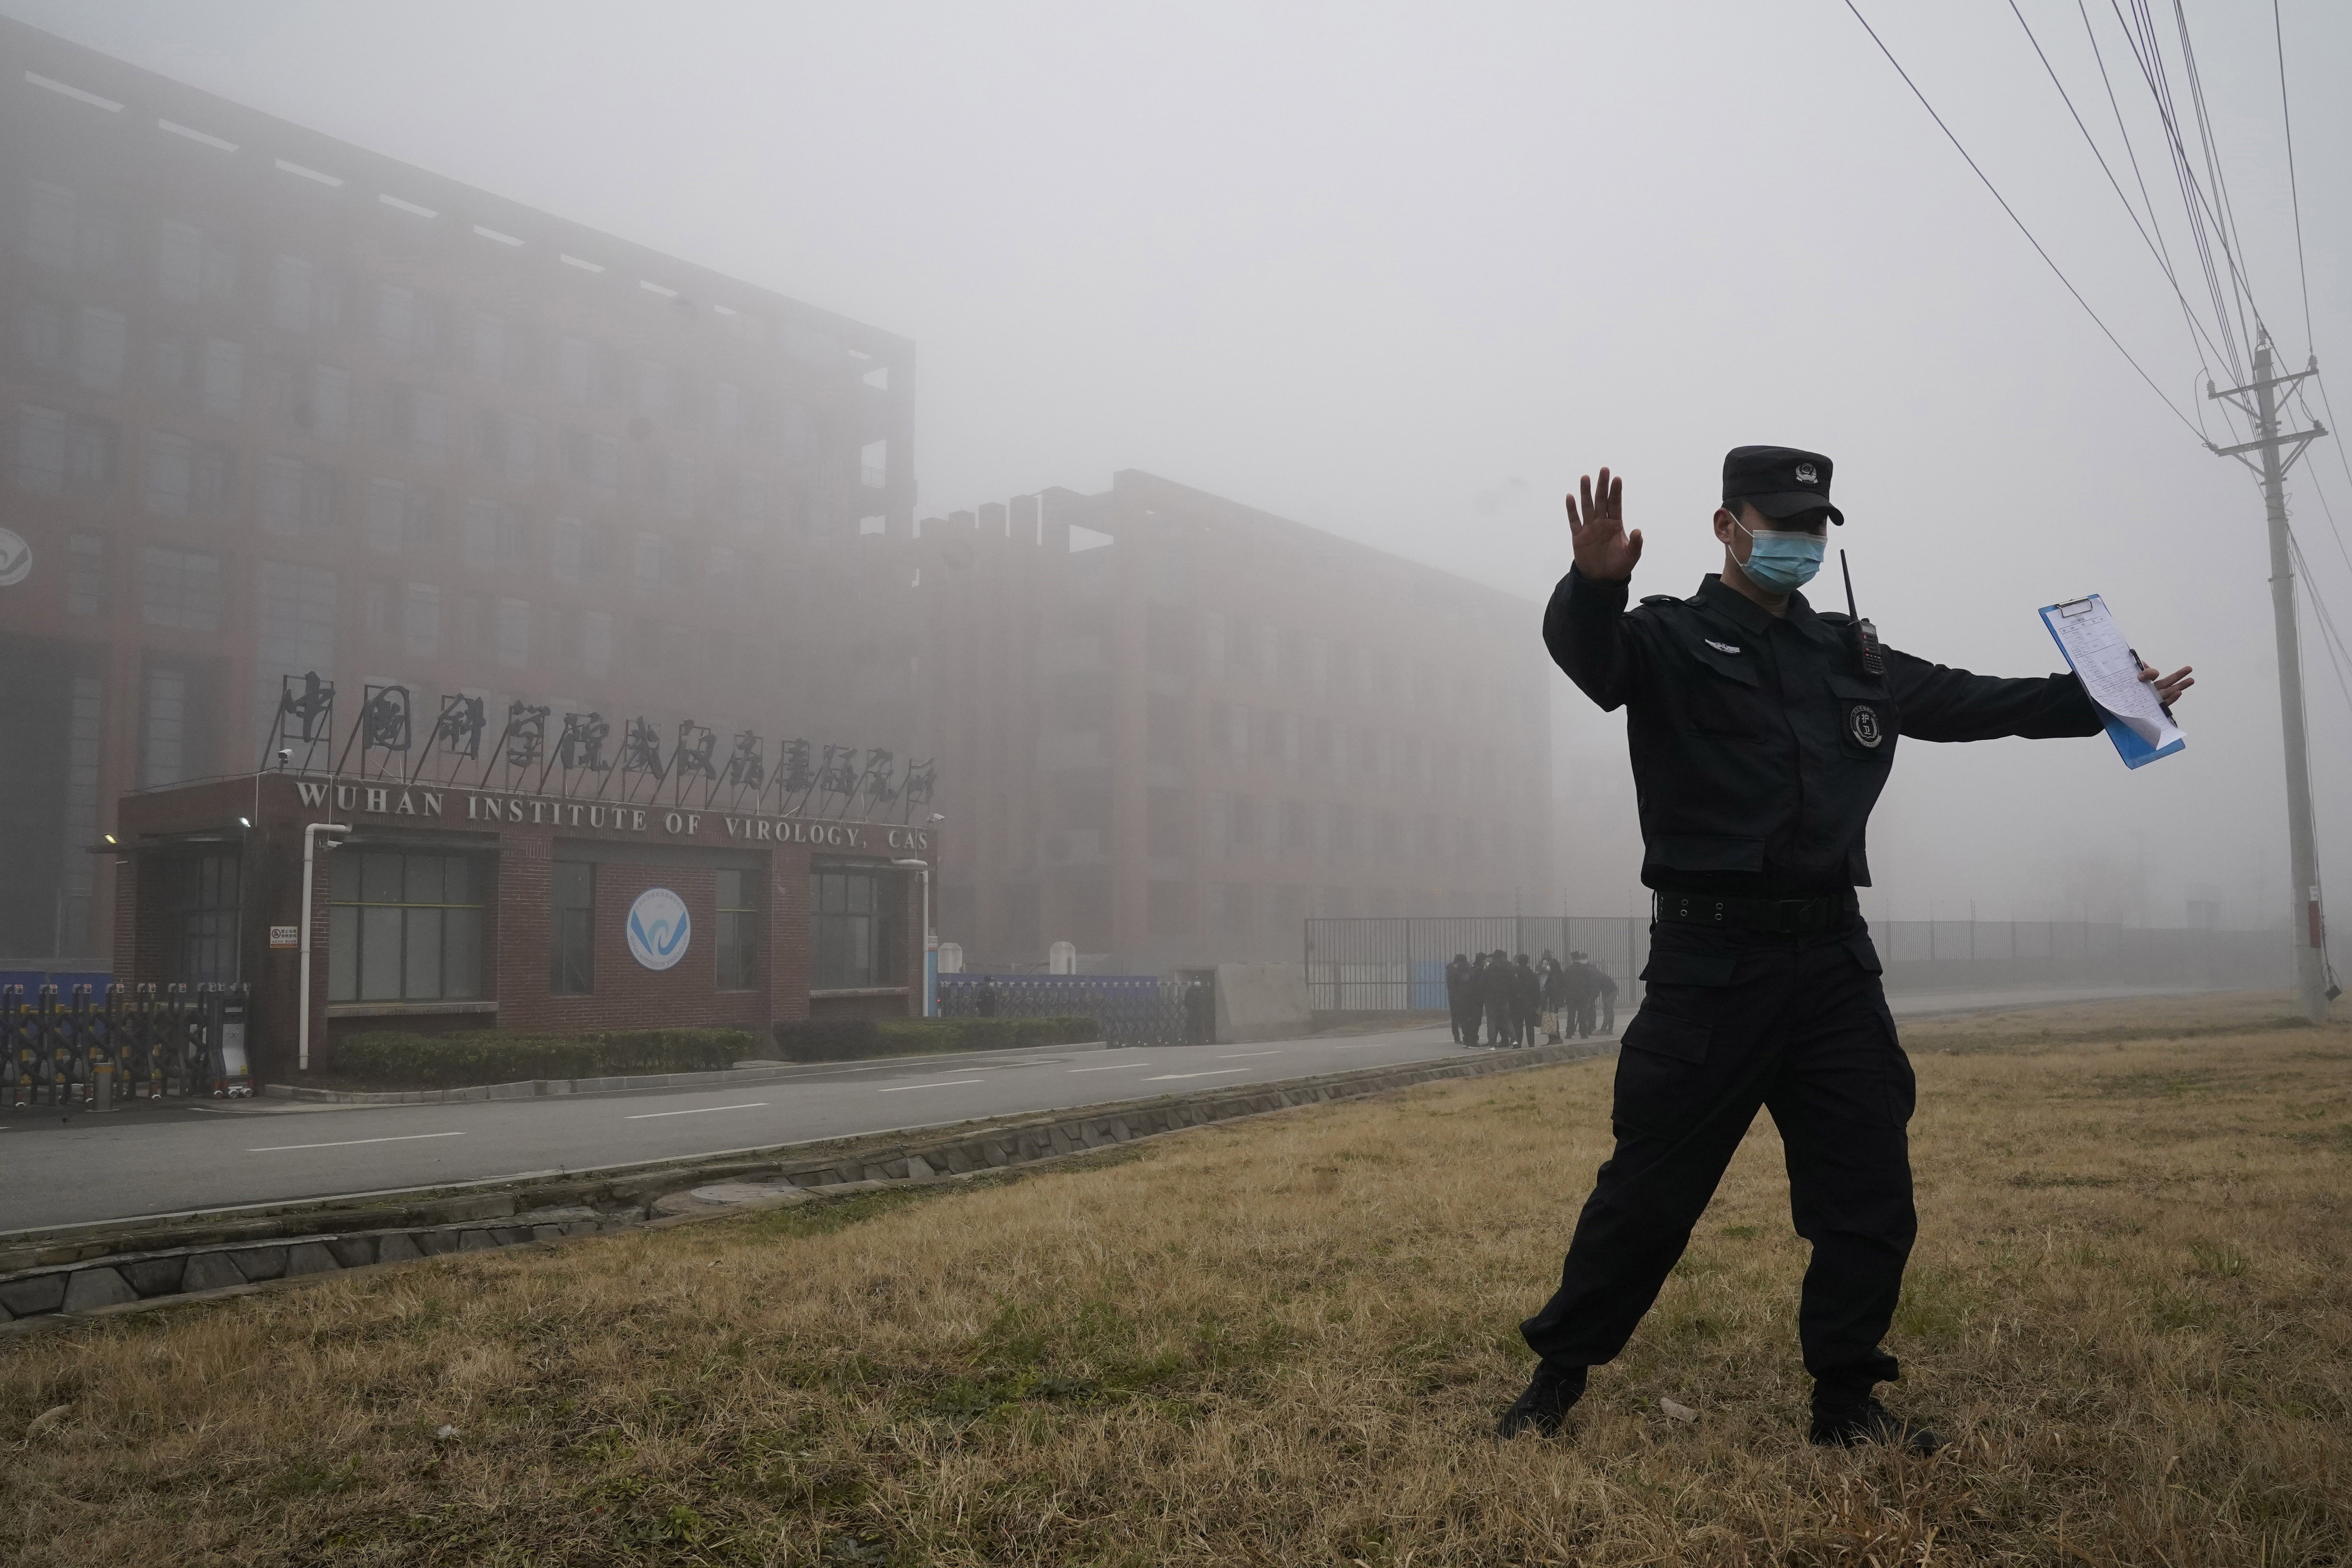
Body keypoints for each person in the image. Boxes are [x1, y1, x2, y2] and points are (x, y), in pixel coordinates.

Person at [1496, 448, 2194, 1453]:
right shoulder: (1667, 638)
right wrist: (1592, 588)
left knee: (1867, 1191)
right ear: (1726, 527)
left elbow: (1968, 701)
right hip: (1710, 967)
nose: (1800, 540)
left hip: (1831, 963)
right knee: (1648, 1193)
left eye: (1814, 524)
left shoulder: (1849, 656)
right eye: (1778, 521)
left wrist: (2106, 700)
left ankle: (1846, 1400)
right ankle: (1555, 1378)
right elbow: (1592, 662)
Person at [1560, 951, 1601, 1039]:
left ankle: (1570, 1033)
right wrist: (1590, 995)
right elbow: (1590, 983)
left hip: (1571, 996)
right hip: (1583, 996)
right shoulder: (1585, 969)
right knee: (1583, 1015)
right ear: (1579, 958)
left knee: (1571, 1015)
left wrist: (1564, 995)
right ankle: (1583, 1034)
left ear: (1572, 959)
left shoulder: (1568, 969)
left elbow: (1564, 983)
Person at [1483, 950, 1516, 1048]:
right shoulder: (1508, 968)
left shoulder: (1489, 969)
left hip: (1491, 999)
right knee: (1507, 1020)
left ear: (1494, 958)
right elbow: (1513, 983)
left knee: (1492, 1021)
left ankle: (1492, 1044)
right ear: (1502, 957)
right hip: (1504, 998)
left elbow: (1483, 983)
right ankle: (1514, 1040)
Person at [1445, 953, 1476, 1044]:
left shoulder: (1451, 970)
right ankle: (1466, 1036)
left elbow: (1451, 984)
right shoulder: (1467, 969)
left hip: (1453, 997)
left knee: (1455, 1018)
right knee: (1465, 1017)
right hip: (1466, 996)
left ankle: (1457, 1037)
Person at [1595, 966, 1619, 1036]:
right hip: (1610, 992)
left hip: (1611, 992)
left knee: (1608, 1010)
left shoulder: (1597, 977)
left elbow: (1597, 990)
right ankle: (1608, 1030)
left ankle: (1605, 1030)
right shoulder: (1600, 975)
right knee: (1608, 1010)